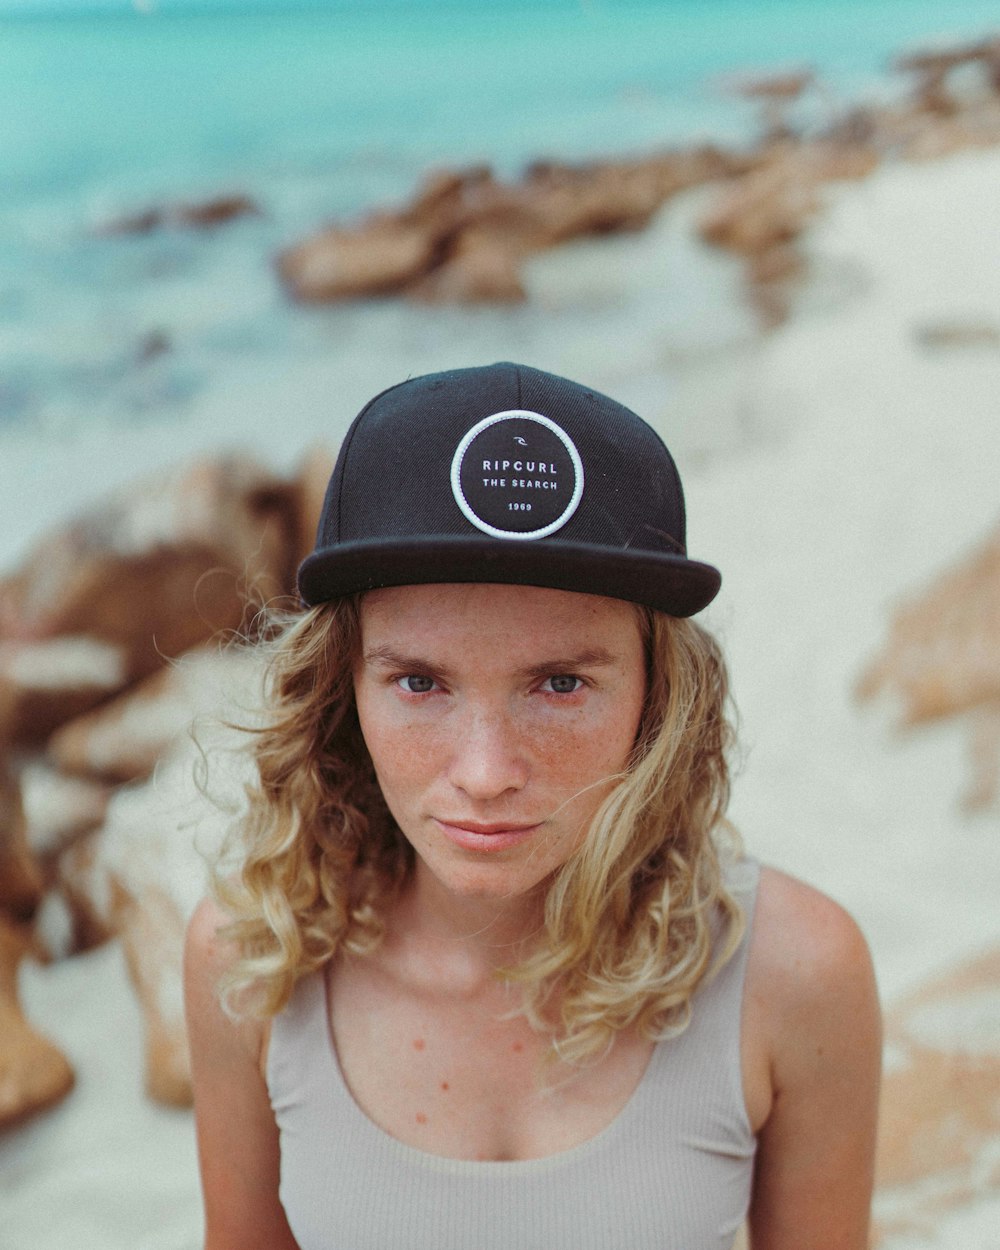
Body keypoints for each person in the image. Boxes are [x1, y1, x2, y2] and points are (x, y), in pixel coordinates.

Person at [184, 362, 882, 1250]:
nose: (485, 772)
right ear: (340, 688)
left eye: (560, 683)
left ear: (659, 697)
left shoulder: (791, 975)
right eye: (419, 681)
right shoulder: (254, 962)